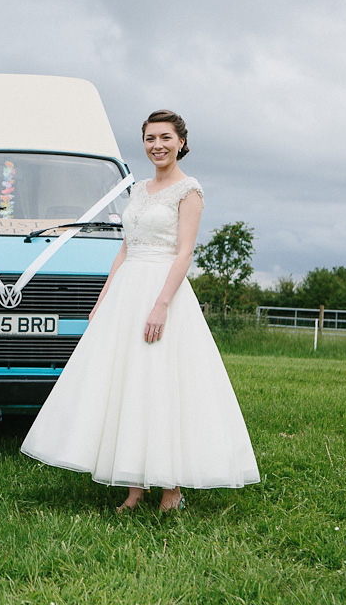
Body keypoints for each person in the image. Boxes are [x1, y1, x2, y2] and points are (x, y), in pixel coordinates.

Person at [20, 110, 260, 512]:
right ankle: (134, 487)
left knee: (162, 383)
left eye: (165, 137)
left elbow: (184, 252)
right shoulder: (138, 189)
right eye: (150, 138)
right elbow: (125, 248)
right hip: (127, 291)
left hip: (162, 290)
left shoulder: (190, 191)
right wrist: (103, 298)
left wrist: (162, 305)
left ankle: (171, 489)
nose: (157, 146)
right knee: (127, 384)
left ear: (181, 142)